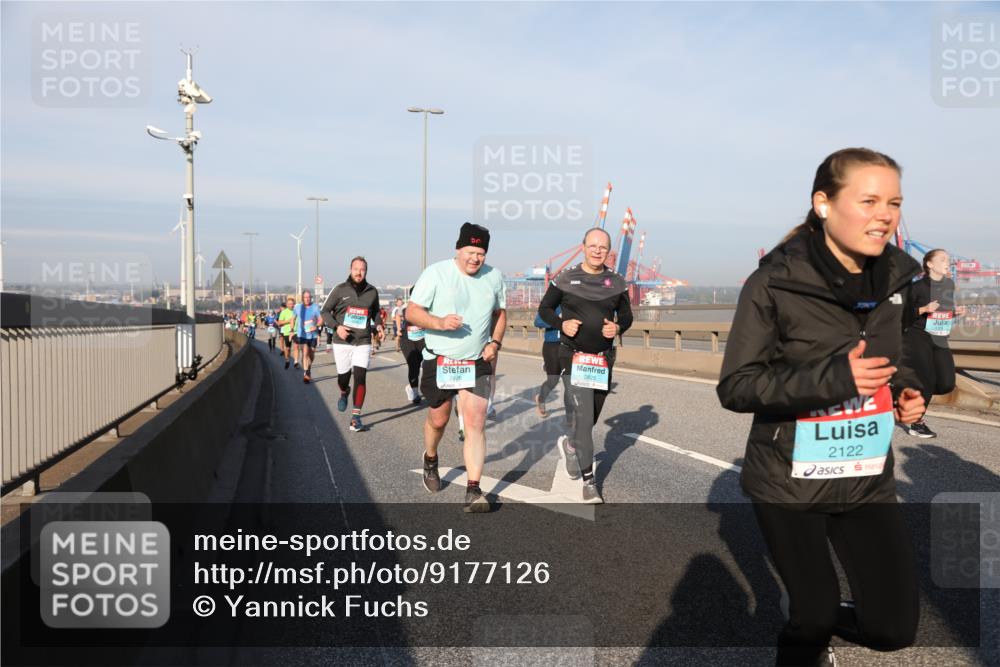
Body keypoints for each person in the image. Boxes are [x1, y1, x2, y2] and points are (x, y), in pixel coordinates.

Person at [716, 148, 926, 666]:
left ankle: (822, 617)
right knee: (812, 615)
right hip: (790, 479)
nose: (885, 214)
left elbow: (894, 356)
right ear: (824, 204)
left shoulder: (898, 281)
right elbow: (737, 386)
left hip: (866, 476)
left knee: (893, 629)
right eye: (869, 200)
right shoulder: (774, 282)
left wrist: (905, 391)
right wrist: (835, 379)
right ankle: (806, 638)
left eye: (894, 203)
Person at [406, 222, 506, 513]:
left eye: (481, 254)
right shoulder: (436, 273)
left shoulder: (494, 277)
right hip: (441, 359)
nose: (475, 258)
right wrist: (438, 323)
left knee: (475, 423)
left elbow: (501, 314)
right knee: (439, 419)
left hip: (476, 361)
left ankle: (473, 490)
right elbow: (412, 312)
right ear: (458, 249)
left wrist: (495, 343)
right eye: (470, 252)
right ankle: (431, 458)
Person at [537, 228, 632, 504]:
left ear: (608, 251)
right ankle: (589, 482)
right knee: (581, 412)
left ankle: (570, 445)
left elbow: (626, 315)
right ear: (583, 247)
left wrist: (618, 326)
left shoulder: (617, 282)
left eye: (603, 247)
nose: (597, 250)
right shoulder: (566, 278)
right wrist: (560, 323)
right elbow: (544, 309)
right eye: (593, 245)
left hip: (602, 359)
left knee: (589, 419)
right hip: (572, 355)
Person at [900, 249, 961, 438]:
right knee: (927, 379)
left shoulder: (949, 285)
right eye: (943, 259)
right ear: (929, 264)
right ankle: (917, 423)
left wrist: (954, 312)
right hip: (918, 336)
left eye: (948, 259)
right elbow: (900, 316)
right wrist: (923, 309)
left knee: (946, 384)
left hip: (939, 336)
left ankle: (907, 391)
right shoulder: (916, 288)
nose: (947, 262)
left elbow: (943, 311)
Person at [321, 257, 383, 432]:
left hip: (363, 341)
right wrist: (336, 327)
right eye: (356, 269)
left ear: (366, 271)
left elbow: (376, 312)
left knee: (361, 376)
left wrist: (378, 325)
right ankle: (344, 391)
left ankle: (356, 417)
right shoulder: (340, 289)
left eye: (362, 269)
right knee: (343, 377)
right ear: (350, 269)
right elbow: (325, 311)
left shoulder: (372, 291)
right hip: (342, 341)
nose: (359, 272)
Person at [533, 306, 562, 417]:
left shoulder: (575, 301)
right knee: (553, 380)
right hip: (552, 345)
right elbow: (537, 322)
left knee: (571, 382)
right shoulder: (551, 303)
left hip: (570, 346)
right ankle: (541, 398)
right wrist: (557, 320)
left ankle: (571, 417)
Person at [292, 289, 322, 383]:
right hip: (302, 334)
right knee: (305, 353)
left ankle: (308, 367)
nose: (307, 299)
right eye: (305, 297)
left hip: (313, 335)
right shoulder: (298, 307)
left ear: (311, 298)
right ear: (302, 298)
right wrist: (292, 330)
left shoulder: (315, 307)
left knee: (311, 354)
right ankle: (306, 373)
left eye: (309, 297)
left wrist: (316, 326)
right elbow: (292, 319)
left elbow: (321, 320)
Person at [397, 299, 424, 404]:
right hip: (407, 339)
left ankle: (410, 386)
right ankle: (415, 392)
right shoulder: (405, 306)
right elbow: (398, 315)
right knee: (413, 364)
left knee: (420, 364)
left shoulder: (427, 305)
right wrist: (399, 329)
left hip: (421, 338)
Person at [277, 297, 296, 369]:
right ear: (287, 305)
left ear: (294, 304)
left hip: (296, 332)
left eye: (292, 304)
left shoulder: (296, 311)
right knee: (288, 348)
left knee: (296, 347)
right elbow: (279, 323)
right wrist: (289, 321)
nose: (291, 305)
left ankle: (296, 362)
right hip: (287, 332)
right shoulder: (283, 312)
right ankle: (287, 360)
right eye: (289, 304)